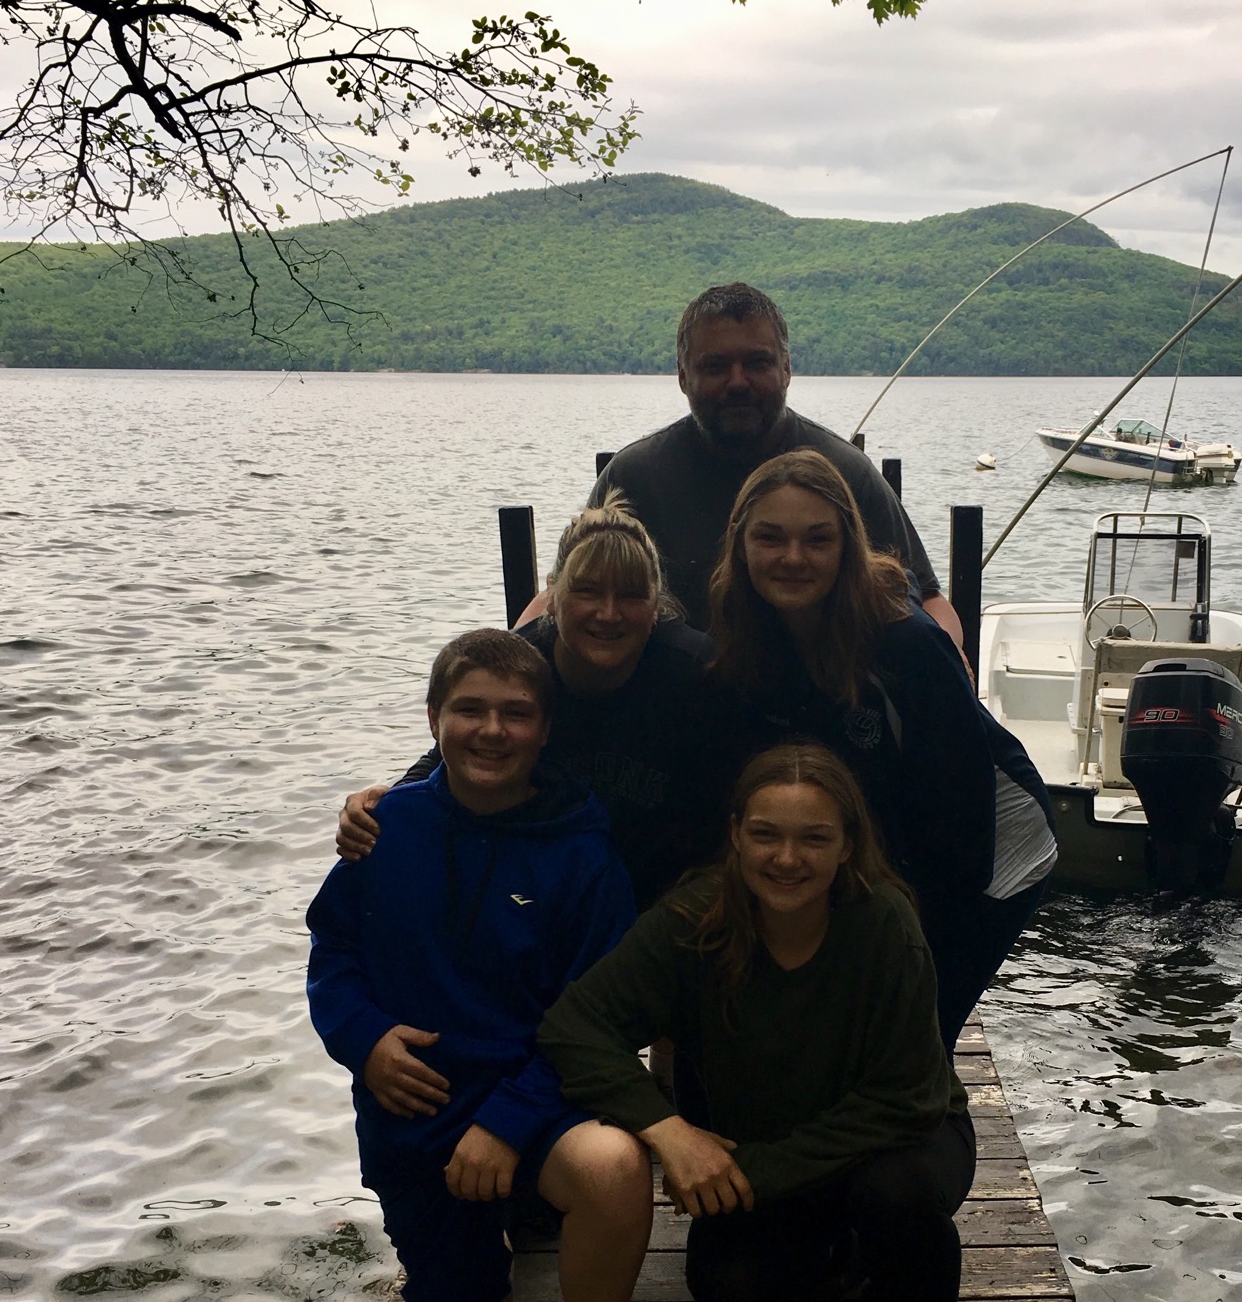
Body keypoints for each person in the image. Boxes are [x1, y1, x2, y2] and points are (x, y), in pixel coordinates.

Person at [305, 627, 684, 1302]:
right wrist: (363, 1039)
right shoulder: (384, 829)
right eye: (469, 709)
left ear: (545, 730)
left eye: (516, 713)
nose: (491, 730)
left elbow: (598, 1021)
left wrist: (510, 1122)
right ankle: (491, 1234)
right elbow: (333, 951)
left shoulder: (585, 855)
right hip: (415, 1107)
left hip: (535, 1096)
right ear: (433, 718)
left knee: (614, 1166)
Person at [539, 743, 974, 1302]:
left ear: (848, 846)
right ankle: (830, 1270)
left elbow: (907, 1099)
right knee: (730, 1291)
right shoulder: (693, 919)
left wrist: (749, 1174)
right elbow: (574, 1026)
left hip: (898, 1140)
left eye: (814, 838)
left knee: (893, 1195)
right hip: (772, 1147)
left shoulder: (883, 923)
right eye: (766, 834)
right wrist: (669, 1132)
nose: (787, 858)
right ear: (736, 834)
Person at [707, 447, 1057, 1052]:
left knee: (914, 1031)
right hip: (885, 827)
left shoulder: (907, 647)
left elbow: (959, 821)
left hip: (995, 844)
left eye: (818, 539)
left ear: (849, 545)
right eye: (770, 537)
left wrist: (912, 949)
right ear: (740, 545)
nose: (793, 558)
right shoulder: (750, 631)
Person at [334, 499, 720, 908]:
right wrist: (383, 807)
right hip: (550, 887)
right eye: (586, 591)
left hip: (674, 892)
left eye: (630, 596)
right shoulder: (522, 665)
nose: (608, 614)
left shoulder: (699, 673)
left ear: (656, 607)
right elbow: (453, 752)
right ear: (552, 596)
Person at [566, 281, 962, 642]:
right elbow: (561, 595)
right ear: (683, 376)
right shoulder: (634, 478)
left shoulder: (847, 472)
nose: (738, 382)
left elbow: (928, 600)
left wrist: (945, 664)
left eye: (757, 363)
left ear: (786, 369)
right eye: (716, 366)